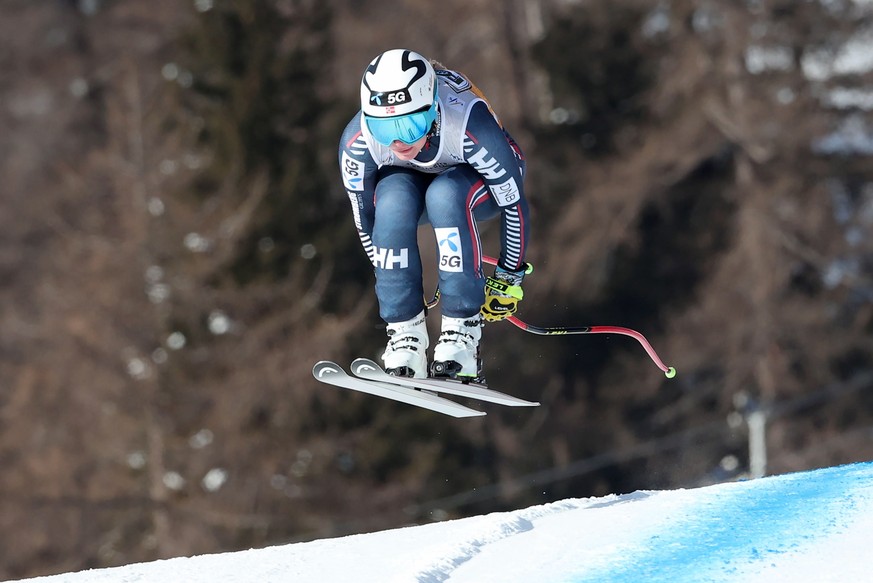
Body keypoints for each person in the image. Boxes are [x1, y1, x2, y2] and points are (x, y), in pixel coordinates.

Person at [338, 48, 531, 382]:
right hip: (412, 187)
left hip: (474, 186)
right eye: (385, 130)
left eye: (411, 125)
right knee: (392, 201)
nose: (398, 142)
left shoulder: (469, 124)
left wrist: (508, 278)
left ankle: (462, 337)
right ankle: (406, 338)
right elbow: (365, 221)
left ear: (431, 109)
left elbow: (514, 204)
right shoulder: (358, 141)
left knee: (445, 194)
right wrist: (399, 297)